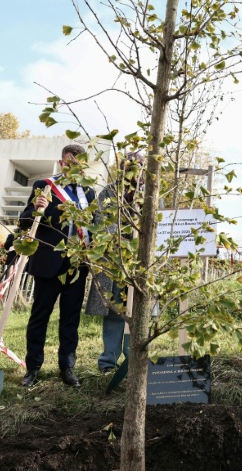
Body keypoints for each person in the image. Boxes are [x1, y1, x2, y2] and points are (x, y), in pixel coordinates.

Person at [19, 144, 97, 388]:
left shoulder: (90, 193)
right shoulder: (44, 186)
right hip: (47, 261)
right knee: (40, 316)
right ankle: (33, 367)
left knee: (70, 318)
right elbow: (24, 220)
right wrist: (36, 209)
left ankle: (67, 366)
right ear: (61, 163)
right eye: (69, 162)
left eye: (78, 163)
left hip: (76, 264)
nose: (73, 166)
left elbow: (93, 228)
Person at [85, 152, 144, 374]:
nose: (132, 172)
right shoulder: (109, 192)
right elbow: (101, 223)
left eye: (137, 167)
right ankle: (108, 362)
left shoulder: (151, 195)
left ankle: (133, 360)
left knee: (138, 312)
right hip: (114, 262)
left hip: (140, 264)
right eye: (128, 167)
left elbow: (159, 226)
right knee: (114, 310)